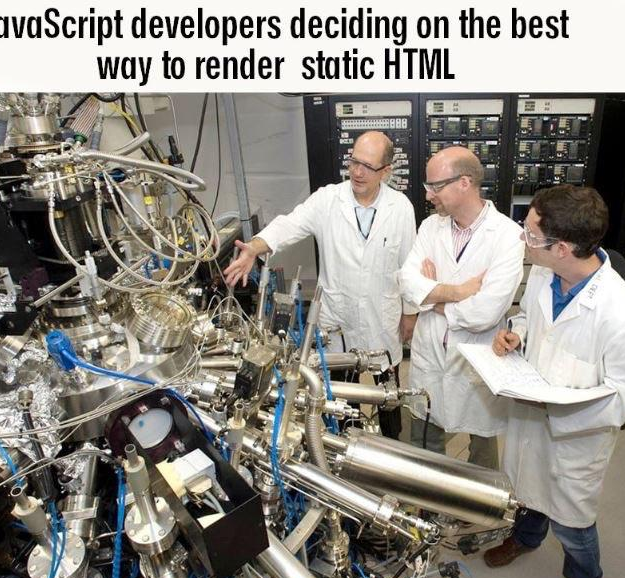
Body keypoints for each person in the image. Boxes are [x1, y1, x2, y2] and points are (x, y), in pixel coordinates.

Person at [484, 185, 625, 578]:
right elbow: (528, 317)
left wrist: (556, 405)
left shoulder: (622, 311)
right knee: (525, 492)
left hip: (576, 438)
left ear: (562, 248)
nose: (523, 238)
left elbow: (624, 397)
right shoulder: (543, 272)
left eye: (531, 234)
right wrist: (517, 334)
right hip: (529, 416)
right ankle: (525, 539)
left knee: (572, 521)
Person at [223, 131, 417, 439]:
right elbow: (289, 224)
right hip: (338, 319)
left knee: (388, 397)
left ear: (386, 171)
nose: (357, 172)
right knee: (342, 396)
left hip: (381, 319)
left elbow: (408, 266)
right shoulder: (328, 200)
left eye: (367, 166)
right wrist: (255, 247)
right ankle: (345, 446)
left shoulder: (401, 207)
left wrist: (410, 313)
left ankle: (393, 444)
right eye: (354, 162)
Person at [399, 146, 524, 468]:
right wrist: (459, 291)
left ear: (464, 183)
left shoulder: (509, 236)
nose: (428, 195)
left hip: (476, 356)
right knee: (425, 444)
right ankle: (429, 495)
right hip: (430, 352)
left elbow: (485, 313)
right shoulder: (430, 227)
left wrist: (433, 300)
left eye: (435, 187)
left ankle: (479, 497)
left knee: (482, 451)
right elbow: (408, 284)